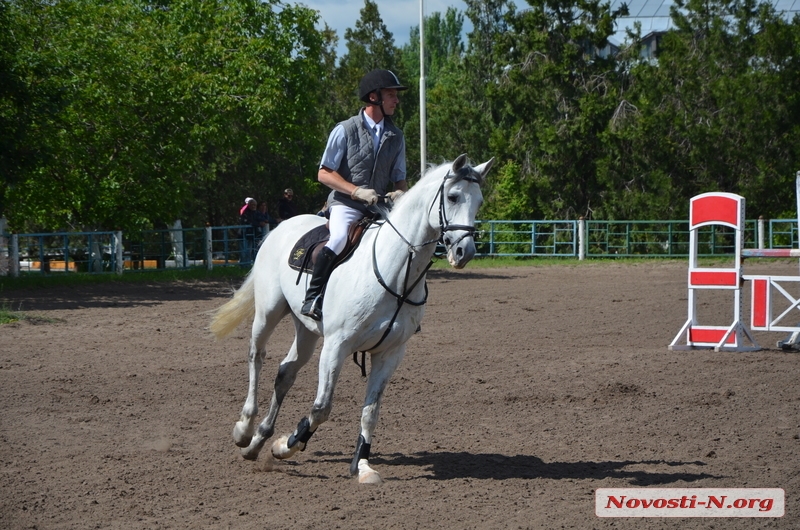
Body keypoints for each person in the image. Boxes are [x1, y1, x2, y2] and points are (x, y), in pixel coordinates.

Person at [300, 69, 409, 321]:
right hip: (346, 204)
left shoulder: (397, 136)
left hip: (378, 207)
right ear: (374, 97)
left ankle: (402, 308)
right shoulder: (345, 129)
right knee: (338, 238)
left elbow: (399, 176)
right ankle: (313, 297)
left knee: (404, 244)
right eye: (391, 95)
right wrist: (356, 190)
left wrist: (401, 193)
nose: (396, 100)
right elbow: (324, 173)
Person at [239, 197, 259, 263]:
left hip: (252, 235)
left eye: (255, 205)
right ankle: (244, 264)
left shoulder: (256, 212)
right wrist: (258, 223)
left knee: (251, 250)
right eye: (252, 205)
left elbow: (261, 218)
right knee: (244, 251)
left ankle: (248, 263)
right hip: (244, 234)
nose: (253, 206)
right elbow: (248, 221)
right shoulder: (245, 212)